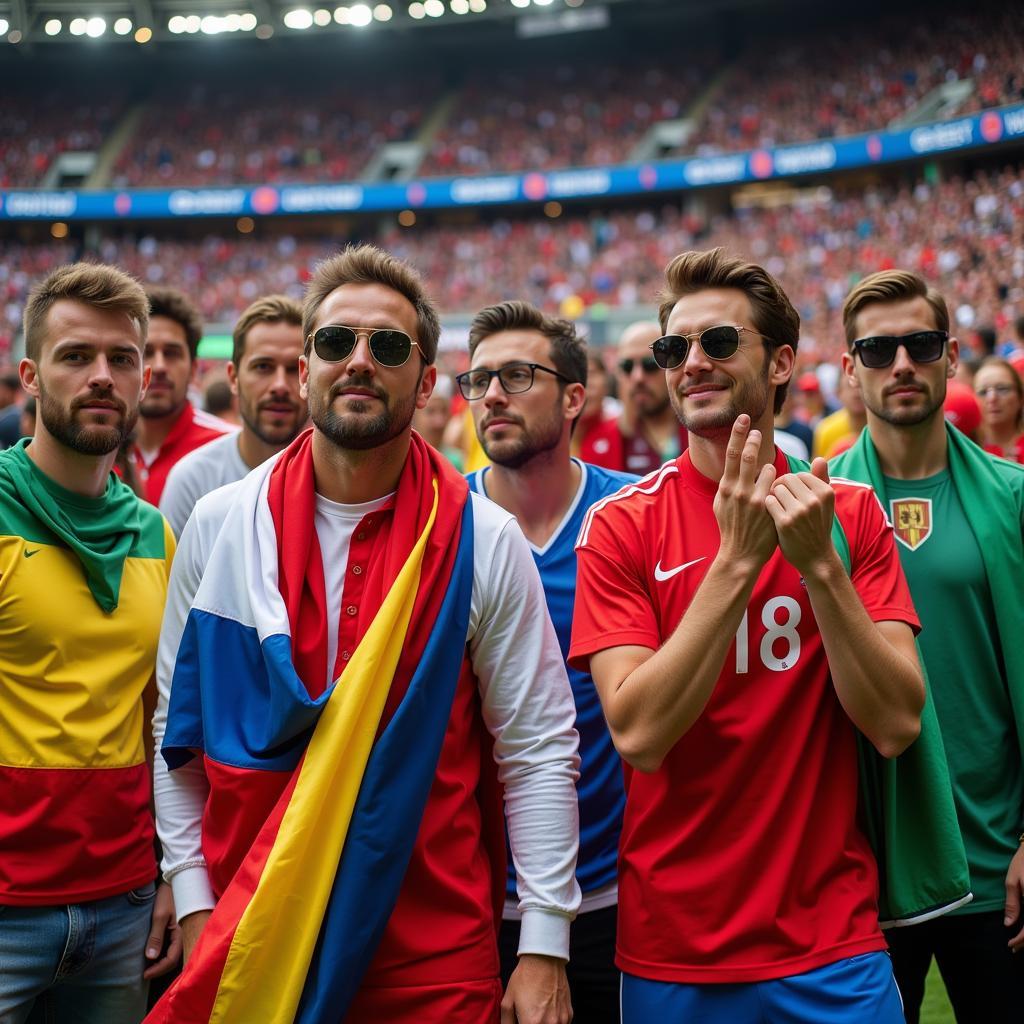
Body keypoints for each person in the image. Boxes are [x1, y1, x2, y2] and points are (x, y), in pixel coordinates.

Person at [149, 245, 581, 1024]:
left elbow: (537, 747)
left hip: (434, 956)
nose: (357, 362)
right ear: (307, 362)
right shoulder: (218, 527)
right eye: (334, 342)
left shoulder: (485, 537)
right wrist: (192, 902)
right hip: (255, 930)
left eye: (386, 347)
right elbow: (178, 734)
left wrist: (545, 944)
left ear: (423, 383)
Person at [569, 248, 925, 1023]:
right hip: (675, 952)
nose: (691, 363)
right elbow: (640, 734)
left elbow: (896, 724)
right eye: (675, 348)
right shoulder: (622, 526)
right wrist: (736, 562)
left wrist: (821, 570)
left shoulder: (851, 511)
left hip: (833, 943)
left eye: (720, 342)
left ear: (781, 363)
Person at [833, 269, 1024, 1023]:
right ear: (850, 369)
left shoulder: (1012, 496)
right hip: (871, 865)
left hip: (999, 863)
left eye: (919, 344)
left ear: (950, 356)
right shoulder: (815, 496)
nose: (901, 364)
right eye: (877, 350)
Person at [0, 263, 180, 1021]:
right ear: (31, 377)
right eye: (77, 357)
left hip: (124, 904)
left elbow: (162, 718)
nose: (102, 377)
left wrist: (175, 873)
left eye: (122, 358)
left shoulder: (157, 533)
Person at [460, 300, 637, 1023]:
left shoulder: (630, 518)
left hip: (620, 893)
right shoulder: (445, 527)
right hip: (473, 896)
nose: (491, 394)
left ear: (574, 397)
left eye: (515, 375)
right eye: (477, 380)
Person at [159, 295, 308, 537]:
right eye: (263, 367)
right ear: (233, 378)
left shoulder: (338, 483)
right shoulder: (193, 479)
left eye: (293, 369)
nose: (280, 385)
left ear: (309, 376)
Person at [132, 287, 235, 506]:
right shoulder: (97, 449)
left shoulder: (231, 447)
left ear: (194, 367)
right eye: (145, 352)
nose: (159, 366)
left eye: (171, 353)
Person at [581, 321, 687, 474]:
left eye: (650, 364)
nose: (637, 377)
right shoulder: (598, 444)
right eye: (627, 366)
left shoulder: (705, 431)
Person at [974, 356, 1024, 464]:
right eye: (982, 392)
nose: (992, 398)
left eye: (1002, 389)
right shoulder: (966, 450)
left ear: (1020, 397)